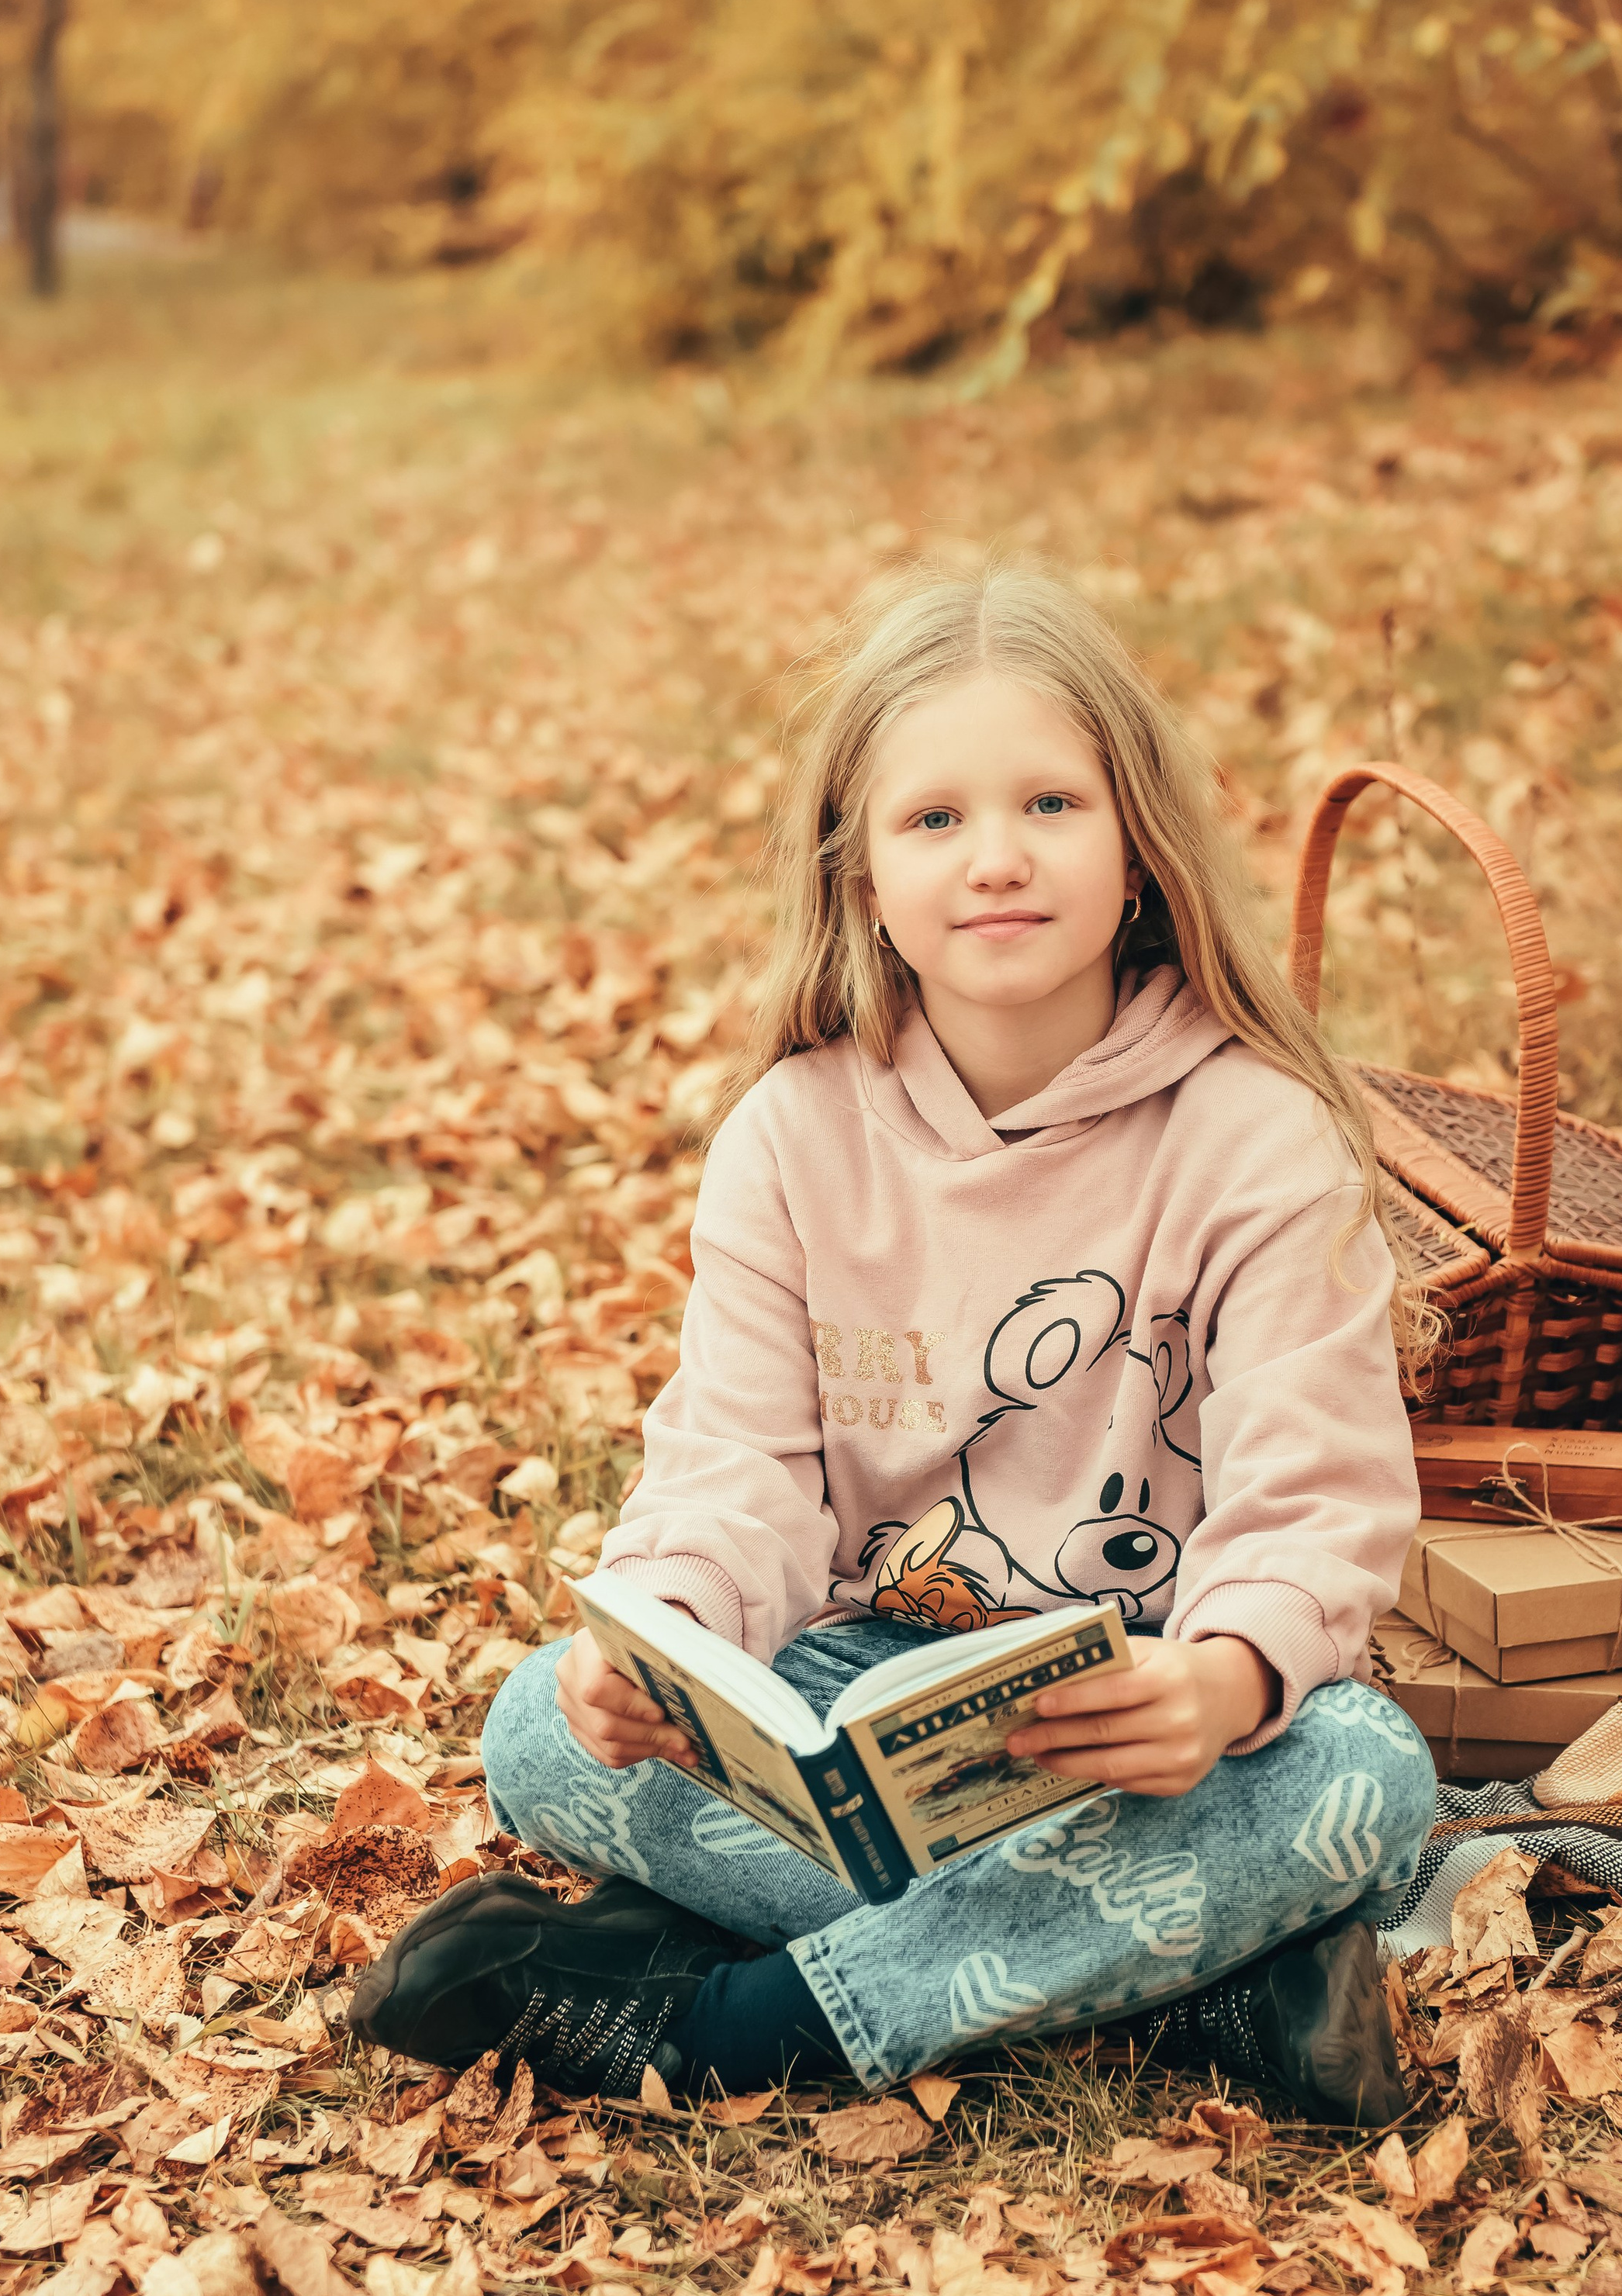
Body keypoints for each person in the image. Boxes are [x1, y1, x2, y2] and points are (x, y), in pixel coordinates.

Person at [350, 561, 1433, 2121]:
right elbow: (736, 1470)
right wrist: (658, 1636)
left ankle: (726, 2024)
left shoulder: (1255, 1138)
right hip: (850, 1703)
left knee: (1365, 1780)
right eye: (933, 821)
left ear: (1137, 848)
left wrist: (1216, 1679)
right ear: (861, 878)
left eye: (1050, 805)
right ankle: (1209, 1987)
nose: (994, 859)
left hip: (1132, 1724)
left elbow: (1311, 1498)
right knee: (536, 1725)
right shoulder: (789, 1138)